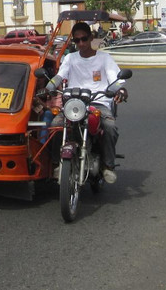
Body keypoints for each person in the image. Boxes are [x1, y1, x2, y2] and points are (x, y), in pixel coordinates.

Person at [46, 21, 127, 183]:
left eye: (84, 39)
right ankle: (56, 164)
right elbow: (60, 75)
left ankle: (108, 166)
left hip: (98, 103)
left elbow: (115, 79)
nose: (81, 43)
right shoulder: (70, 58)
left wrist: (120, 90)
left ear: (91, 38)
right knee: (56, 125)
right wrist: (50, 85)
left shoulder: (104, 58)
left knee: (110, 127)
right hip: (74, 103)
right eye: (77, 40)